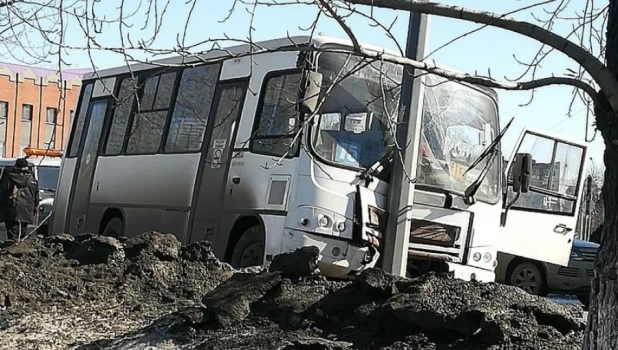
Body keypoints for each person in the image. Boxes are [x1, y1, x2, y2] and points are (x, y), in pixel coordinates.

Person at [0, 158, 39, 242]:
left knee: (12, 237)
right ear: (26, 167)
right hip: (27, 212)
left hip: (11, 211)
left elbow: (2, 193)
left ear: (16, 166)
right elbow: (36, 198)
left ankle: (11, 253)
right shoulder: (32, 179)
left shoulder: (8, 177)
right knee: (22, 236)